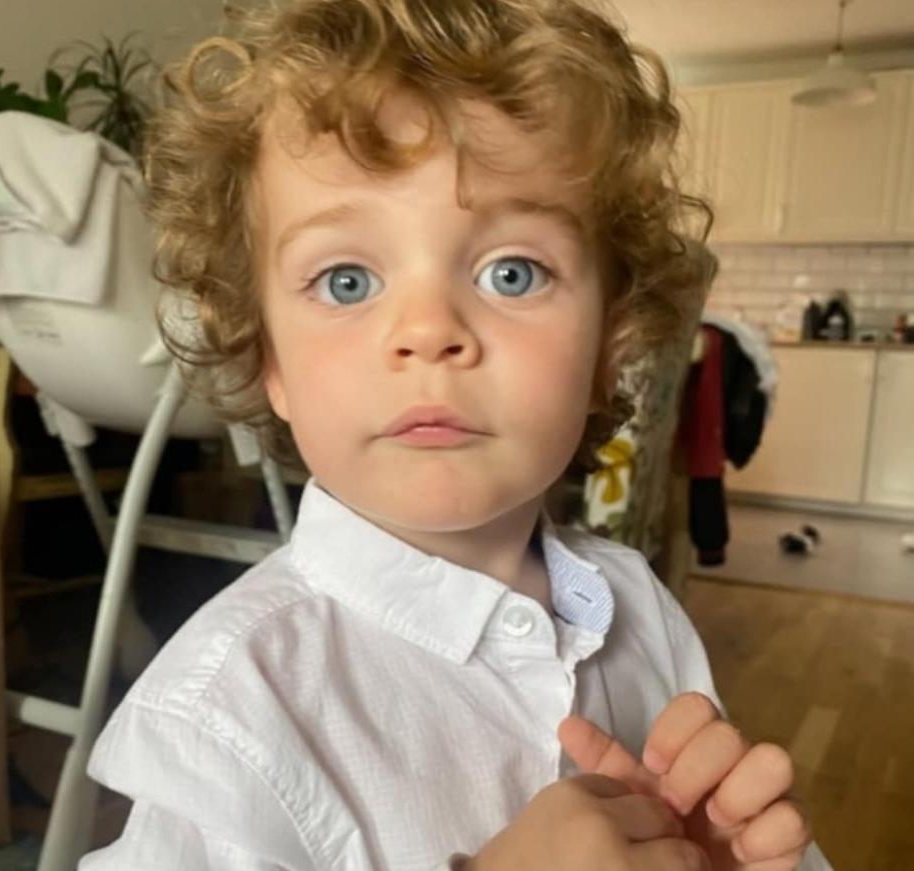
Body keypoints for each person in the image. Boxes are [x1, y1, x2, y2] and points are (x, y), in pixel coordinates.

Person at [80, 0, 831, 868]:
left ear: (608, 349)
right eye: (347, 279)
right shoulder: (228, 714)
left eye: (512, 272)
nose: (429, 330)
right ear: (269, 359)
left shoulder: (641, 607)